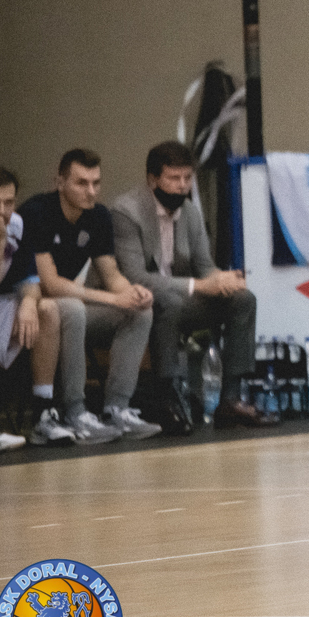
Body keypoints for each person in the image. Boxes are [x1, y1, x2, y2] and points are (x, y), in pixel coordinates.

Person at [112, 141, 275, 429]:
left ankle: (231, 399)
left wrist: (223, 280)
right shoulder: (126, 212)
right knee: (170, 302)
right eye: (174, 178)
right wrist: (200, 286)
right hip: (138, 301)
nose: (182, 186)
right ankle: (168, 396)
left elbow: (204, 267)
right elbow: (135, 276)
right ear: (152, 180)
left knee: (243, 299)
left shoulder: (190, 212)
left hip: (180, 298)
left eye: (187, 178)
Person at [21, 149, 155, 443]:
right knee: (73, 308)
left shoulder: (99, 216)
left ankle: (117, 408)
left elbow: (111, 274)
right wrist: (112, 299)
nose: (91, 191)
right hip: (34, 307)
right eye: (82, 183)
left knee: (139, 312)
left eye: (96, 182)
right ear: (59, 182)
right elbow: (50, 284)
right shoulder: (37, 212)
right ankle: (75, 411)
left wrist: (132, 292)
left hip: (71, 308)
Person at [0, 166, 65, 452]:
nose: (2, 211)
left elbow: (31, 282)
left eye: (8, 202)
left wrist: (28, 303)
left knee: (47, 309)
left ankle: (43, 413)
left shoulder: (18, 225)